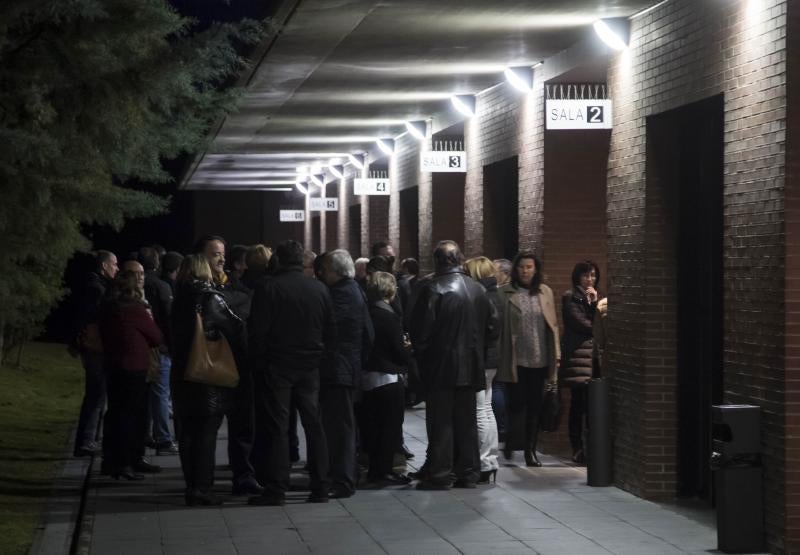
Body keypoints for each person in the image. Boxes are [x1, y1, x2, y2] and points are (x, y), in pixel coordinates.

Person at [248, 240, 335, 506]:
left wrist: (260, 362)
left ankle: (277, 487)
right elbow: (331, 330)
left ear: (280, 260)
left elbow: (258, 330)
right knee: (314, 424)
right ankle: (320, 485)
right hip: (310, 364)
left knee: (279, 426)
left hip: (278, 364)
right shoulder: (319, 288)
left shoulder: (268, 287)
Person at [409, 240, 498, 489]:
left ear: (438, 260)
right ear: (459, 259)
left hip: (441, 366)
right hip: (471, 366)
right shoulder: (478, 289)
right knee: (466, 421)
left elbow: (421, 332)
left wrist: (422, 356)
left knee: (441, 422)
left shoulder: (434, 288)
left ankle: (440, 473)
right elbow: (493, 327)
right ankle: (468, 472)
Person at [171, 255, 246, 505]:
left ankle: (192, 485)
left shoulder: (178, 297)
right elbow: (235, 328)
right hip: (207, 374)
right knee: (206, 433)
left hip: (183, 373)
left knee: (189, 434)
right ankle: (202, 489)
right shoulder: (209, 297)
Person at [195, 235, 260, 495]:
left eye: (222, 253)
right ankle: (202, 482)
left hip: (239, 364)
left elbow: (245, 308)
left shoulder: (234, 285)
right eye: (215, 254)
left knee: (243, 423)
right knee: (207, 428)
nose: (221, 259)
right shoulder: (197, 288)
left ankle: (243, 474)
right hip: (211, 367)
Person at [319, 249, 374, 498]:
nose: (323, 273)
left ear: (336, 271)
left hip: (339, 369)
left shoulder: (340, 294)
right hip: (348, 367)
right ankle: (341, 476)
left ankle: (342, 480)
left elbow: (329, 332)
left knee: (340, 428)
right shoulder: (354, 291)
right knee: (341, 425)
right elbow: (368, 334)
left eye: (327, 269)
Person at [497, 252, 560, 467]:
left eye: (529, 267)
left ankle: (529, 452)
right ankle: (511, 441)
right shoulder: (504, 293)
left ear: (536, 269)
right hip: (515, 359)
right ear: (516, 270)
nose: (525, 271)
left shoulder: (545, 292)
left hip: (540, 358)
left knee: (535, 406)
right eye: (522, 267)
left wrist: (556, 356)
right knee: (515, 405)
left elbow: (552, 326)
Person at [99, 270, 163, 480]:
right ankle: (126, 463)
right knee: (131, 416)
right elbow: (156, 336)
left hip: (113, 365)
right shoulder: (135, 310)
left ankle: (110, 462)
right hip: (135, 367)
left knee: (115, 414)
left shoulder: (108, 308)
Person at [362, 272, 412, 486]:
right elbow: (398, 352)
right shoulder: (390, 316)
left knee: (373, 426)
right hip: (388, 377)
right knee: (390, 427)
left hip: (368, 377)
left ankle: (374, 469)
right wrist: (408, 350)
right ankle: (384, 471)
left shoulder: (367, 313)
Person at [71, 250, 118, 457]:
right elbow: (90, 319)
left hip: (94, 348)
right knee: (96, 394)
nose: (117, 268)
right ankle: (86, 441)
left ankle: (89, 439)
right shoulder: (97, 288)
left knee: (97, 394)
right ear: (104, 266)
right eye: (114, 264)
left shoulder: (97, 285)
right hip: (96, 349)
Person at [464, 256, 501, 484]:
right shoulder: (495, 294)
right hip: (492, 359)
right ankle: (491, 459)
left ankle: (484, 460)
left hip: (483, 359)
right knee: (486, 408)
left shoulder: (482, 296)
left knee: (479, 410)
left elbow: (487, 330)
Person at [139, 246, 178, 456]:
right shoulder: (162, 287)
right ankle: (163, 437)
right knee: (161, 393)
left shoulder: (137, 285)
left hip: (140, 347)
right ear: (156, 263)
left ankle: (145, 435)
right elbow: (168, 319)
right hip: (160, 346)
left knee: (146, 394)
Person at [561, 261, 600, 464]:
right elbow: (589, 326)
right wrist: (593, 305)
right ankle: (577, 448)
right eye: (586, 275)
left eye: (593, 275)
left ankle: (591, 447)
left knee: (592, 406)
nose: (590, 279)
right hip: (578, 360)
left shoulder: (593, 298)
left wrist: (594, 303)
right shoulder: (571, 298)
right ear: (577, 277)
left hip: (592, 360)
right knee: (578, 405)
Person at [491, 258, 512, 439]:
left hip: (500, 347)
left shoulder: (500, 293)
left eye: (494, 271)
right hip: (506, 348)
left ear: (504, 274)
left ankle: (501, 426)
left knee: (497, 387)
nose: (491, 274)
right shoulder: (512, 292)